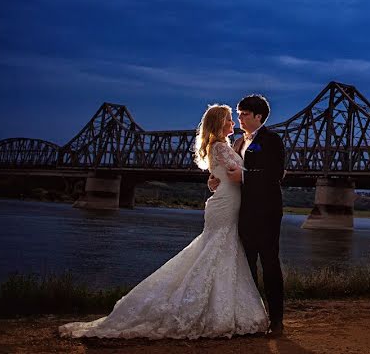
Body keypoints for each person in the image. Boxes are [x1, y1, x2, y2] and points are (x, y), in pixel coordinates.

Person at [58, 104, 269, 340]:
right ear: (219, 123)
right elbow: (242, 172)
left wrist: (218, 179)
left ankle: (220, 308)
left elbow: (227, 175)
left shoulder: (219, 147)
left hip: (225, 203)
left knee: (220, 251)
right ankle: (215, 311)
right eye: (229, 119)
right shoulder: (220, 146)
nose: (233, 123)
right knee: (217, 250)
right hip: (225, 206)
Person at [208, 93, 285, 336]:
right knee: (246, 266)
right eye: (238, 114)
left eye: (244, 114)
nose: (239, 117)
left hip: (267, 212)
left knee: (270, 264)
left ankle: (277, 321)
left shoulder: (272, 140)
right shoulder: (239, 143)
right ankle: (252, 317)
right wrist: (217, 178)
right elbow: (230, 171)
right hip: (243, 212)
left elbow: (275, 174)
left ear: (258, 116)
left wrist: (244, 177)